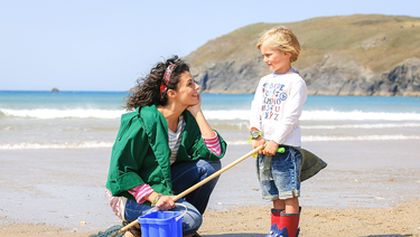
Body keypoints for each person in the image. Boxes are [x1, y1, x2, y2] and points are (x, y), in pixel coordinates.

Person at [106, 55, 227, 237]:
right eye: (190, 84)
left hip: (164, 185)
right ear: (172, 93)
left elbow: (215, 152)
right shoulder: (140, 122)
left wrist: (197, 112)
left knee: (210, 167)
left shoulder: (186, 120)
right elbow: (121, 172)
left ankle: (180, 227)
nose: (197, 87)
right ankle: (139, 226)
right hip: (131, 198)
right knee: (191, 220)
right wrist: (155, 197)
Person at [249, 26, 306, 237]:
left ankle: (288, 233)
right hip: (264, 147)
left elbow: (291, 116)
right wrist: (256, 136)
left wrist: (275, 140)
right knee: (273, 193)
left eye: (269, 54)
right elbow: (255, 110)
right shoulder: (265, 82)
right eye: (263, 55)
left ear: (287, 53)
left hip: (285, 148)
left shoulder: (295, 82)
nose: (265, 59)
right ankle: (276, 231)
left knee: (288, 192)